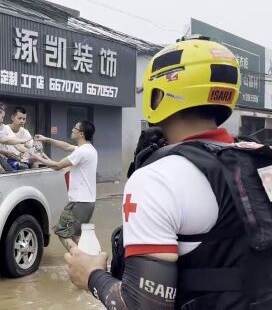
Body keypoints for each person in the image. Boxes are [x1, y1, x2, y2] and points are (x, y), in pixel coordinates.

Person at [64, 37, 266, 309]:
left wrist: (91, 276)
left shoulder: (157, 178)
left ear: (158, 95)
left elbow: (142, 305)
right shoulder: (260, 159)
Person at [33, 120, 98, 249]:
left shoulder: (81, 152)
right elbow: (66, 146)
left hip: (78, 202)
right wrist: (47, 139)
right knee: (76, 235)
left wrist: (37, 158)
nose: (72, 129)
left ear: (81, 133)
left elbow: (57, 166)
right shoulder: (89, 149)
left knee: (62, 233)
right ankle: (88, 260)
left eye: (75, 128)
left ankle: (78, 259)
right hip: (88, 202)